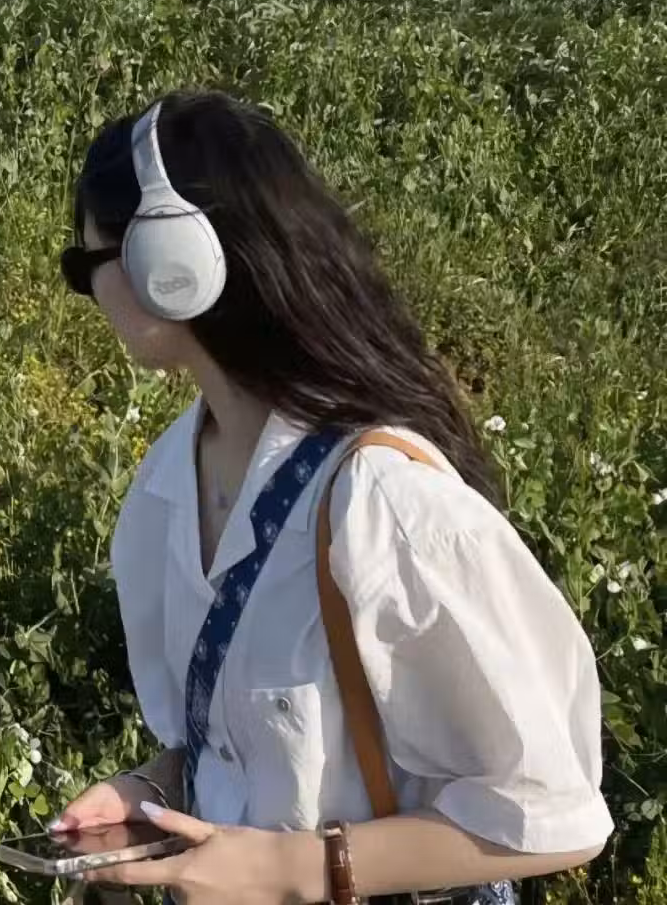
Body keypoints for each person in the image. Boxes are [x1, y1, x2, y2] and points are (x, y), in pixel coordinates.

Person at [50, 90, 613, 905]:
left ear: (168, 263)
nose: (86, 294)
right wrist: (153, 789)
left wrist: (288, 870)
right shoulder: (167, 485)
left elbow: (555, 811)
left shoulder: (381, 501)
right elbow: (247, 745)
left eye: (85, 265)